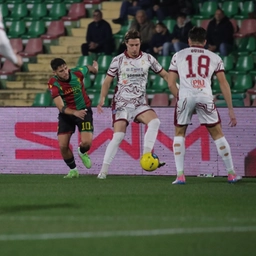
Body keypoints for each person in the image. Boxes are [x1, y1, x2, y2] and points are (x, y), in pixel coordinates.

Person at [168, 26, 241, 185]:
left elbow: (170, 82)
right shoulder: (214, 57)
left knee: (179, 132)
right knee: (217, 134)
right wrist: (230, 110)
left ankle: (180, 175)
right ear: (205, 41)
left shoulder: (178, 55)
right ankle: (231, 174)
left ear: (188, 41)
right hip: (205, 95)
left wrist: (180, 98)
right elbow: (223, 84)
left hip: (185, 96)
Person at [97, 29, 169, 179]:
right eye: (131, 45)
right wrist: (102, 98)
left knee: (155, 122)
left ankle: (146, 156)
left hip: (139, 104)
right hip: (122, 103)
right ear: (126, 44)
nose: (135, 48)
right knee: (118, 137)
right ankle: (103, 171)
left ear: (140, 43)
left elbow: (165, 75)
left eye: (137, 44)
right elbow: (107, 81)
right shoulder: (118, 60)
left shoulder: (148, 59)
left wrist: (178, 89)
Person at [48, 58, 98, 178]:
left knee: (87, 143)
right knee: (63, 146)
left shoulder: (77, 73)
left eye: (65, 68)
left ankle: (81, 151)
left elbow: (88, 68)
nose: (65, 72)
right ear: (55, 73)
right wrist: (74, 112)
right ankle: (74, 170)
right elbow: (60, 107)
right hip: (67, 115)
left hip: (84, 111)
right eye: (61, 71)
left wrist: (95, 69)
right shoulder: (53, 83)